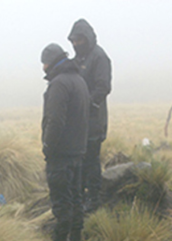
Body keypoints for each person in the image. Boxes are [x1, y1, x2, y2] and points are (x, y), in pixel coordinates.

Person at [37, 43, 90, 241]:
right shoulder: (79, 80)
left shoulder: (59, 84)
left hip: (61, 154)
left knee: (61, 203)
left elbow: (55, 121)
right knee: (76, 199)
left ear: (50, 62)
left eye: (44, 63)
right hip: (78, 151)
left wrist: (48, 146)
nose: (42, 68)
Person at [68, 19, 112, 214]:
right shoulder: (78, 59)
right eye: (74, 41)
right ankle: (82, 195)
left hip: (93, 121)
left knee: (91, 160)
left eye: (79, 40)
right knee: (80, 158)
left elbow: (103, 87)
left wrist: (86, 105)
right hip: (78, 122)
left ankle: (94, 199)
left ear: (87, 38)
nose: (76, 44)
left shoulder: (99, 57)